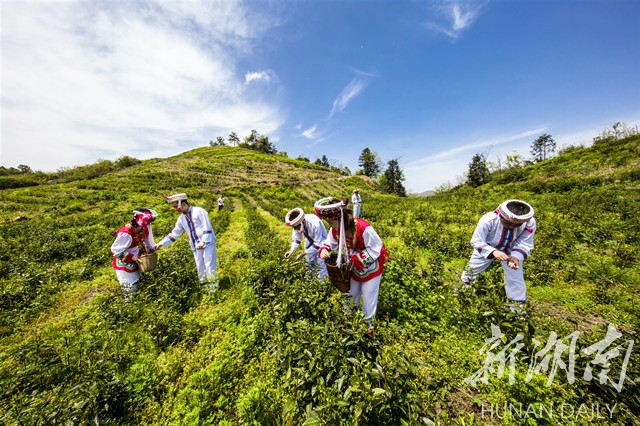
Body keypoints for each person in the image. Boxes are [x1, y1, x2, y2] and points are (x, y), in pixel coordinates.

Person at [316, 197, 389, 334]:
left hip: (370, 268)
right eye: (328, 222)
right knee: (350, 294)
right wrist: (324, 249)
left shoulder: (363, 227)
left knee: (368, 298)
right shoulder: (335, 230)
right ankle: (348, 321)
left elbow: (376, 247)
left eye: (332, 221)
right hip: (352, 268)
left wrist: (355, 259)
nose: (330, 225)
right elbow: (329, 242)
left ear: (341, 217)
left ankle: (367, 328)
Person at [460, 199, 536, 305]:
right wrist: (493, 251)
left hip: (511, 250)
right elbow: (477, 241)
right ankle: (462, 297)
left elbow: (524, 242)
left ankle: (517, 311)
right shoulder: (488, 219)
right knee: (471, 273)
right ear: (501, 216)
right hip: (486, 246)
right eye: (508, 223)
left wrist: (516, 257)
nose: (511, 227)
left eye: (516, 225)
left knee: (516, 280)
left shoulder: (529, 222)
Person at [155, 193, 218, 293]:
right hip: (195, 245)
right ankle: (205, 289)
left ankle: (213, 289)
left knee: (209, 264)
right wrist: (161, 243)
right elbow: (175, 233)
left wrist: (203, 241)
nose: (176, 209)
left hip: (207, 241)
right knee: (200, 266)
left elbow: (207, 227)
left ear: (182, 203)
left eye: (176, 206)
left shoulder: (199, 211)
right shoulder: (181, 219)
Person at [111, 208, 158, 299]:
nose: (148, 225)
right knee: (129, 289)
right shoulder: (126, 233)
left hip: (136, 260)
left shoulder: (145, 228)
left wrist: (152, 250)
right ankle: (128, 309)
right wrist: (132, 257)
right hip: (124, 264)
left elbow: (149, 243)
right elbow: (115, 250)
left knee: (136, 284)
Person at [284, 207, 329, 280]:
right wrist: (291, 250)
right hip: (309, 239)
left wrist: (304, 253)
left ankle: (322, 282)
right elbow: (297, 238)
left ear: (302, 223)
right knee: (309, 261)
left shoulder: (314, 223)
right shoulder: (297, 224)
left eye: (295, 227)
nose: (295, 229)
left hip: (321, 240)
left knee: (321, 262)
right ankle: (309, 278)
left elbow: (318, 243)